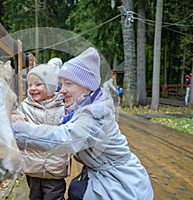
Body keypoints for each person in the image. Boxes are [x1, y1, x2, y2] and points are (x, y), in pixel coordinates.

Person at [12, 47, 154, 199]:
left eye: (68, 84)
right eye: (62, 84)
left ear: (87, 86)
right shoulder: (81, 108)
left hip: (121, 184)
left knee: (77, 192)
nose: (62, 90)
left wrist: (16, 131)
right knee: (76, 190)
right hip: (104, 175)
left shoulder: (95, 115)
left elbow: (62, 138)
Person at [11, 64, 70, 200]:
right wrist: (13, 117)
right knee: (35, 196)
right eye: (30, 85)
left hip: (55, 166)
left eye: (38, 84)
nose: (33, 89)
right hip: (32, 166)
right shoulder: (26, 106)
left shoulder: (62, 106)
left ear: (50, 87)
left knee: (54, 196)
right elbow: (15, 115)